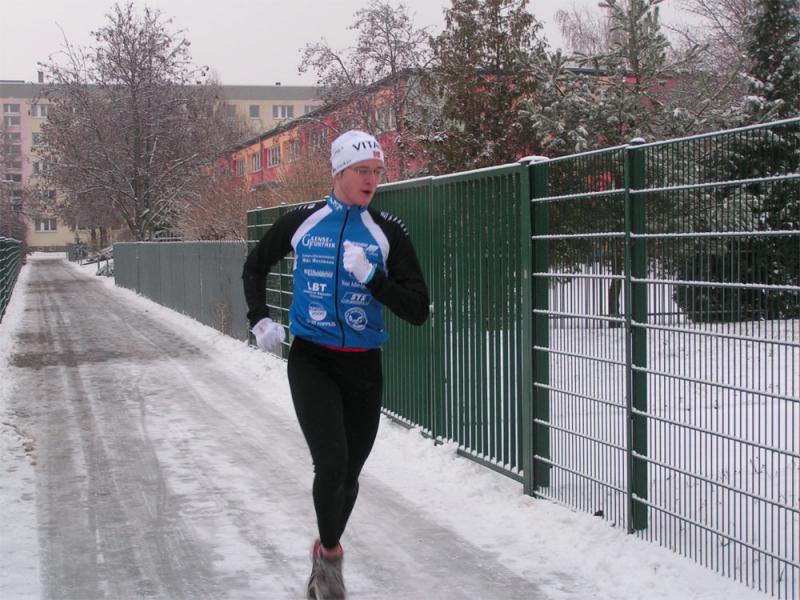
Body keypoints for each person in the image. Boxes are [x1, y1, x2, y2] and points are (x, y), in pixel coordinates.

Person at [242, 130, 429, 599]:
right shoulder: (303, 221)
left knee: (349, 476)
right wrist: (259, 318)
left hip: (364, 365)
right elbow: (255, 265)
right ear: (339, 171)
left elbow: (417, 309)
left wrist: (373, 278)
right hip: (313, 360)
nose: (371, 180)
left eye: (377, 172)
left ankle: (324, 551)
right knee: (331, 464)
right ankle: (330, 558)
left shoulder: (387, 232)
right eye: (362, 170)